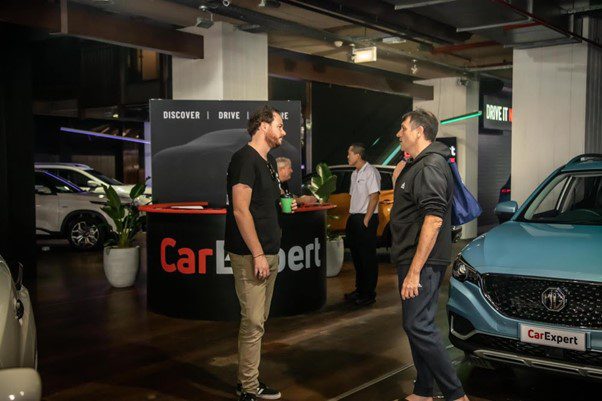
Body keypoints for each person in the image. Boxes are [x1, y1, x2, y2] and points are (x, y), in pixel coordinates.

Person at [391, 109, 469, 401]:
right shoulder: (418, 165)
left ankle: (456, 395)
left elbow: (434, 219)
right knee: (415, 325)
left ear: (419, 131)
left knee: (418, 325)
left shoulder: (430, 165)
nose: (399, 134)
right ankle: (423, 391)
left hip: (421, 260)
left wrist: (414, 271)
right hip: (412, 257)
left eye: (403, 128)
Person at [225, 105, 296, 401]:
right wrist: (257, 254)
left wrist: (291, 201)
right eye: (279, 126)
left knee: (259, 322)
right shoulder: (244, 159)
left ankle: (249, 380)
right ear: (263, 126)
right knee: (253, 322)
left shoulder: (267, 161)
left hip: (269, 252)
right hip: (251, 255)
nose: (283, 132)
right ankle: (248, 387)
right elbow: (240, 211)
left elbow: (266, 201)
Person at [344, 143, 381, 306]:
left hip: (366, 219)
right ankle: (359, 290)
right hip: (354, 218)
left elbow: (374, 196)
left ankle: (368, 294)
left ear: (357, 155)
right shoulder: (354, 173)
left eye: (349, 153)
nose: (348, 156)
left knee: (367, 258)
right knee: (357, 257)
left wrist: (366, 219)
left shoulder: (370, 171)